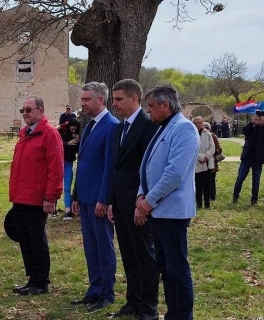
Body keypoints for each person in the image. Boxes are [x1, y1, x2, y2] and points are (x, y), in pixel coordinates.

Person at [136, 85, 197, 320]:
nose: (147, 110)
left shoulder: (183, 129)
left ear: (165, 105)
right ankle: (173, 313)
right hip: (159, 210)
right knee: (165, 268)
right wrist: (142, 194)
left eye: (151, 106)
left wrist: (148, 201)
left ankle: (181, 316)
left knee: (176, 269)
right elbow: (149, 166)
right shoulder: (163, 127)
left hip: (172, 211)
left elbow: (174, 173)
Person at [105, 79, 160, 319]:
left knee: (144, 256)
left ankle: (149, 308)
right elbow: (116, 168)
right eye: (113, 99)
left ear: (134, 99)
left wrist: (143, 202)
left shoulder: (148, 126)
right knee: (128, 254)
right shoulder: (119, 127)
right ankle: (133, 301)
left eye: (119, 99)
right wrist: (111, 201)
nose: (114, 104)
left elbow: (149, 167)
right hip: (120, 204)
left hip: (139, 204)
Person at [70, 82, 119, 313]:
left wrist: (104, 198)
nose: (82, 104)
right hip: (86, 197)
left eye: (87, 100)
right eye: (82, 100)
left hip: (99, 200)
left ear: (101, 100)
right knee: (91, 247)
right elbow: (83, 164)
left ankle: (107, 293)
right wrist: (76, 195)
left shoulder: (111, 126)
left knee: (103, 246)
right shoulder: (88, 126)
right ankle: (94, 289)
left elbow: (110, 166)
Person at [8, 96, 64, 295]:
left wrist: (51, 196)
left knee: (36, 239)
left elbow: (56, 168)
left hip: (36, 198)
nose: (25, 114)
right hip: (21, 196)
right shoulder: (25, 134)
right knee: (25, 238)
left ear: (40, 110)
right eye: (23, 110)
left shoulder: (49, 134)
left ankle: (41, 281)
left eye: (29, 110)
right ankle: (32, 278)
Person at [233, 113, 264, 205]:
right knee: (240, 178)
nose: (258, 120)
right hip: (247, 157)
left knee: (256, 180)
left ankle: (254, 199)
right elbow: (245, 131)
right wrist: (252, 122)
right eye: (257, 119)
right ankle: (235, 196)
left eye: (260, 119)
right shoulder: (251, 128)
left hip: (258, 158)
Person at [57, 119, 80, 220]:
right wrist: (68, 144)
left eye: (75, 130)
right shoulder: (62, 133)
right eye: (72, 129)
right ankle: (52, 209)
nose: (73, 131)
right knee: (56, 186)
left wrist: (78, 142)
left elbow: (77, 151)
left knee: (67, 188)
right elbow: (57, 146)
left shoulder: (76, 135)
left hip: (68, 163)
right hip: (59, 163)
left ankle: (67, 210)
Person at [193, 117, 215, 209]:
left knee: (207, 184)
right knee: (198, 185)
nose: (198, 125)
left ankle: (207, 203)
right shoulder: (191, 133)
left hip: (207, 161)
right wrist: (200, 157)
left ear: (202, 123)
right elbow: (190, 148)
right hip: (196, 162)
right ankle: (198, 203)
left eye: (200, 123)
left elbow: (212, 147)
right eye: (196, 123)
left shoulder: (207, 133)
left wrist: (206, 156)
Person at [203, 122, 222, 201]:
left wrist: (211, 152)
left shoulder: (213, 137)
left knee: (211, 180)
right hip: (202, 161)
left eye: (206, 128)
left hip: (211, 161)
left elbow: (219, 149)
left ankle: (212, 196)